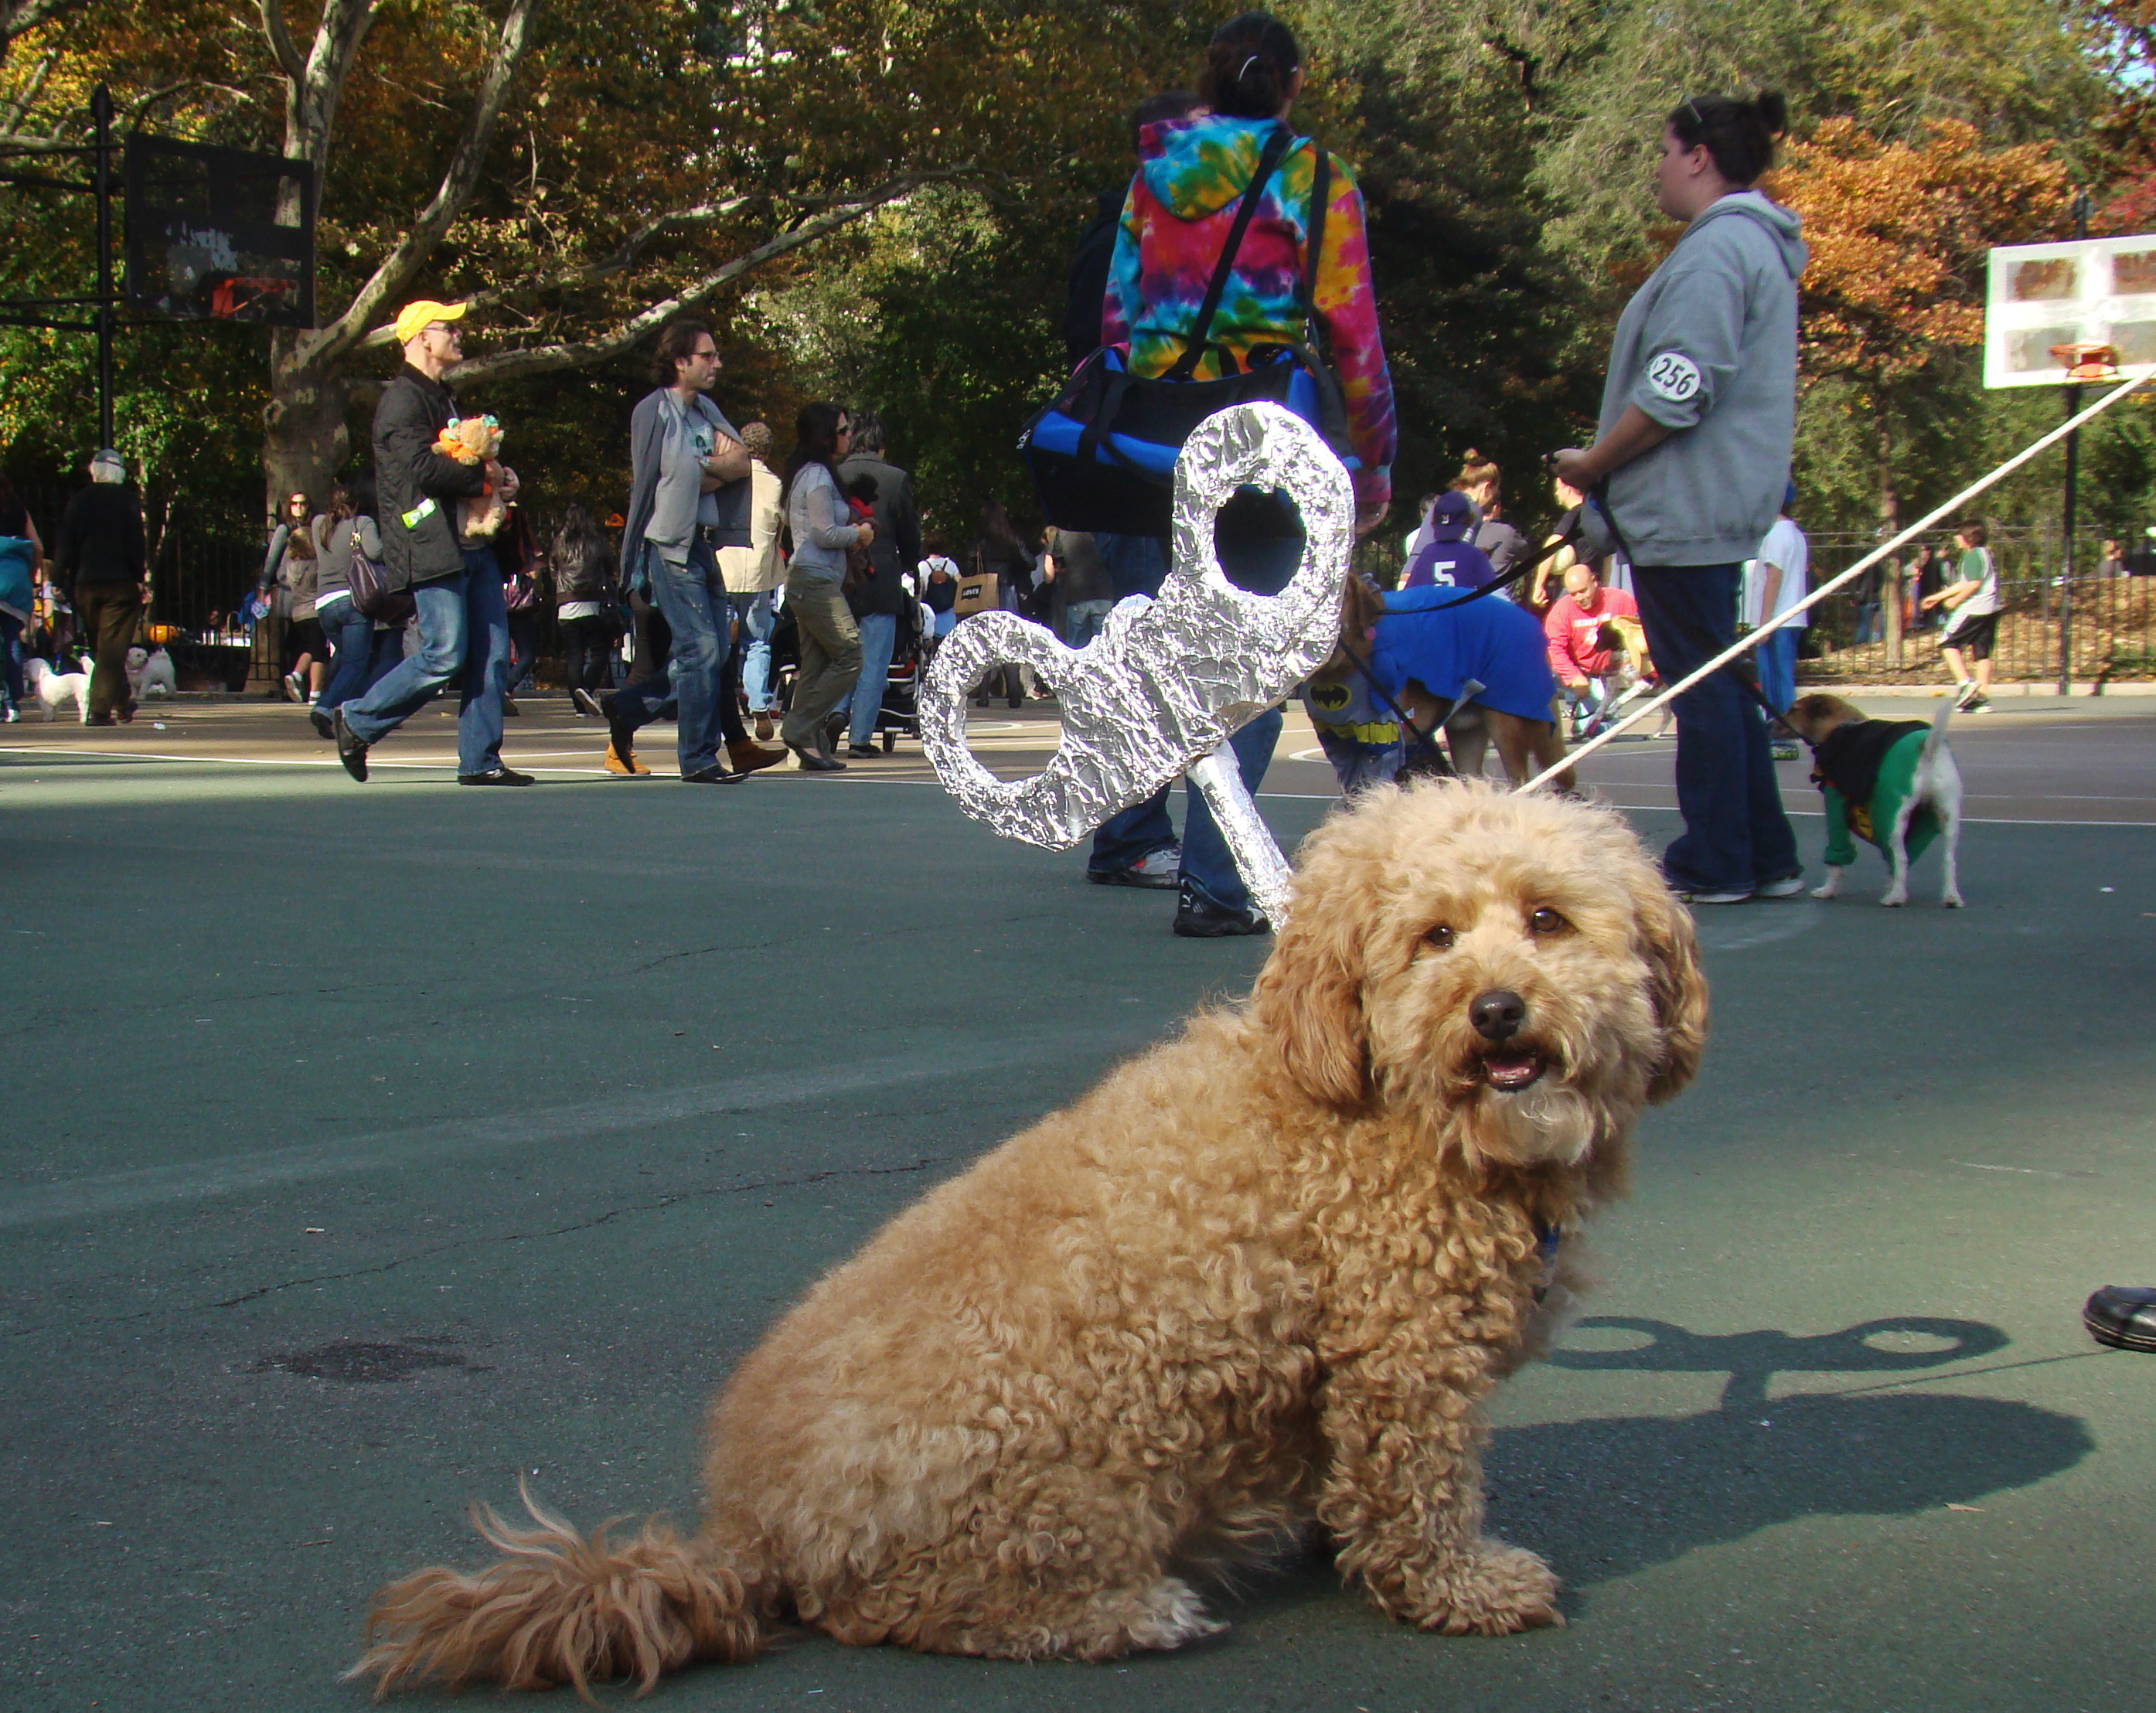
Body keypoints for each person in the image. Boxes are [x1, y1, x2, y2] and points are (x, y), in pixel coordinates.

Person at [1088, 9, 1396, 936]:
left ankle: (1128, 829)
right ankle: (1218, 881)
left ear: (1208, 83)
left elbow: (1115, 314)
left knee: (1160, 647)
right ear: (1291, 87)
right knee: (1261, 652)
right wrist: (1372, 466)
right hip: (1257, 443)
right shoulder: (1312, 177)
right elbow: (1353, 333)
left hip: (1151, 443)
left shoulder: (1152, 174)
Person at [1550, 90, 1805, 905]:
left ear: (1697, 156)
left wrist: (1593, 462)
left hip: (1684, 505)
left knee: (1696, 684)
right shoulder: (1749, 247)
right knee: (1718, 678)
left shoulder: (1713, 252)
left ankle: (1716, 857)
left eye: (1663, 151)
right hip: (1710, 500)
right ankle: (1762, 849)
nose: (1656, 169)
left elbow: (1676, 386)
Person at [332, 299, 528, 785]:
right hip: (431, 544)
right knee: (444, 653)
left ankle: (481, 760)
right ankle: (356, 720)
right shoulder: (401, 400)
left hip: (468, 544)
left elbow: (462, 459)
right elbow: (422, 468)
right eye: (449, 329)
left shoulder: (442, 396)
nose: (459, 336)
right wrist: (484, 478)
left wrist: (498, 481)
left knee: (491, 651)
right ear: (422, 338)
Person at [599, 318, 775, 783]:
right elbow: (662, 475)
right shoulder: (653, 411)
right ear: (680, 362)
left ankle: (628, 707)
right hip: (668, 543)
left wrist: (705, 468)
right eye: (707, 356)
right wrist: (707, 470)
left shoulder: (706, 409)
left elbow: (740, 461)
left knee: (714, 652)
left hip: (704, 541)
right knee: (699, 648)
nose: (717, 363)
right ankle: (698, 758)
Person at [780, 401, 870, 771]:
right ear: (825, 436)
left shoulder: (807, 473)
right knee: (851, 654)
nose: (849, 436)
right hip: (814, 579)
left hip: (810, 579)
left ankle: (812, 745)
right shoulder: (817, 476)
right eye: (843, 430)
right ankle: (800, 729)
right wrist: (859, 533)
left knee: (815, 665)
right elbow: (823, 532)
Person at [836, 410, 922, 758]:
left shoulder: (835, 475)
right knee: (873, 660)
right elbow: (909, 531)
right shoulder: (896, 479)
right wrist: (912, 562)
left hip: (841, 577)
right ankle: (859, 738)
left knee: (840, 654)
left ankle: (836, 712)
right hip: (881, 577)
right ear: (881, 444)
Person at [53, 448, 145, 726]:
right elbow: (135, 543)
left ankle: (122, 701)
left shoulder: (79, 500)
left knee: (103, 646)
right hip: (119, 582)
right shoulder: (128, 500)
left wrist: (57, 579)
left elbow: (66, 543)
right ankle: (99, 710)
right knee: (111, 648)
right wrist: (139, 576)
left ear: (94, 470)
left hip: (86, 583)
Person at [718, 421, 785, 741]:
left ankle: (716, 701)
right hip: (757, 572)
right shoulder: (774, 484)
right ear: (768, 450)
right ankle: (758, 701)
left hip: (722, 567)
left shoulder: (727, 479)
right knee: (757, 642)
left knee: (718, 643)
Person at [308, 474, 385, 735]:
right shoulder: (362, 522)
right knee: (355, 662)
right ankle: (325, 707)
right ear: (355, 504)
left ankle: (356, 712)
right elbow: (375, 552)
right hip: (353, 601)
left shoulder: (318, 524)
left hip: (323, 604)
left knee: (346, 657)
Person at [1543, 560, 1641, 733]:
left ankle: (1596, 719)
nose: (1580, 598)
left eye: (1583, 591)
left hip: (1607, 672)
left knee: (1596, 728)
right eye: (1574, 594)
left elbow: (1637, 632)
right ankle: (1577, 702)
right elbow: (1555, 649)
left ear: (1595, 582)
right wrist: (1574, 677)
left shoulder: (1620, 600)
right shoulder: (1562, 610)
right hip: (1576, 670)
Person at [1747, 484, 1807, 757]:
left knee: (1773, 680)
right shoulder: (1794, 533)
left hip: (1778, 620)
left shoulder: (1775, 534)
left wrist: (1764, 623)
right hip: (1791, 618)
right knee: (1781, 677)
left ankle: (1781, 738)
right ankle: (1784, 735)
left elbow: (1773, 578)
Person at [549, 502, 622, 706]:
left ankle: (578, 702)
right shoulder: (596, 541)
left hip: (565, 604)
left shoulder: (558, 542)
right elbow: (609, 568)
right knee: (600, 653)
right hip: (591, 603)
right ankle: (586, 689)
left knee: (574, 656)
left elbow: (553, 571)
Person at [1923, 519, 1998, 713]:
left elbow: (1973, 584)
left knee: (1947, 643)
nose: (1956, 538)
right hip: (1990, 608)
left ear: (1968, 538)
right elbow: (1964, 583)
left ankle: (1966, 684)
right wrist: (1937, 597)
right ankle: (1981, 699)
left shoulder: (1972, 556)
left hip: (1973, 608)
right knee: (1982, 653)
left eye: (1959, 534)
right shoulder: (1985, 554)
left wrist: (1955, 601)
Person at [968, 502, 1034, 709]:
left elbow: (970, 564)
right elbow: (1030, 562)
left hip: (986, 593)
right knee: (1009, 643)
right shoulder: (1011, 540)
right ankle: (1014, 694)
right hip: (1008, 591)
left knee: (986, 643)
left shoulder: (980, 542)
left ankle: (984, 694)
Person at [0, 473, 45, 720]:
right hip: (16, 580)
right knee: (11, 639)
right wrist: (31, 575)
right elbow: (37, 546)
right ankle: (12, 702)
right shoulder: (18, 508)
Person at [1400, 491, 1497, 590]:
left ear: (1433, 523)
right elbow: (1496, 594)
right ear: (1468, 522)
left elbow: (1410, 592)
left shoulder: (1427, 553)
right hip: (1462, 605)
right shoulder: (1473, 554)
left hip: (1435, 605)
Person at [1454, 450, 1527, 581]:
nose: (1493, 498)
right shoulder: (1473, 512)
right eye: (1495, 492)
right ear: (1487, 487)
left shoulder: (1447, 508)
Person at [1047, 527, 1114, 648]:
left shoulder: (1064, 532)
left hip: (1077, 594)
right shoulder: (1104, 528)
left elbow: (1058, 563)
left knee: (1076, 648)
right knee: (1105, 645)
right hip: (1104, 592)